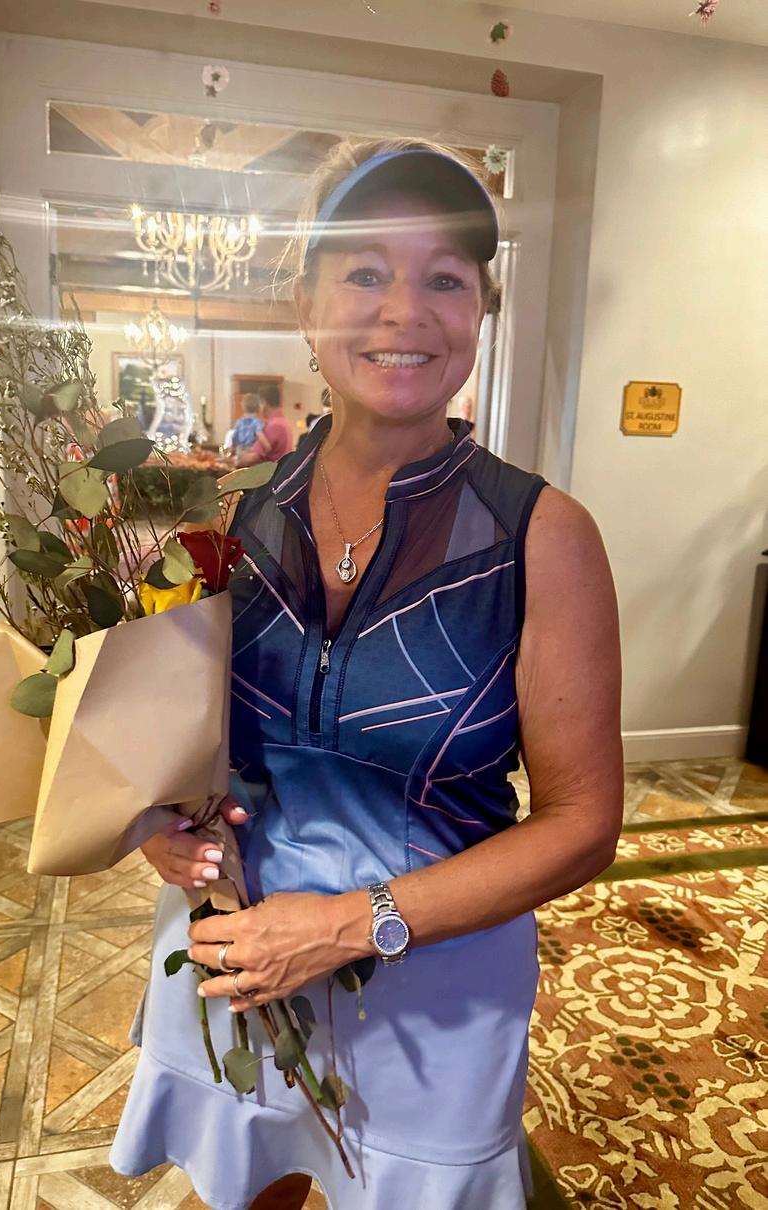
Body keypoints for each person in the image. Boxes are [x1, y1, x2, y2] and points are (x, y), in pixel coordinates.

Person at [110, 136, 623, 1209]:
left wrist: (349, 923)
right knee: (246, 1183)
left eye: (445, 279)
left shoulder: (541, 536)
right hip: (234, 945)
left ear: (479, 311)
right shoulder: (228, 517)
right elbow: (163, 733)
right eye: (366, 273)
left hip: (435, 994)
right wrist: (151, 822)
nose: (405, 311)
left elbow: (583, 825)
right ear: (305, 304)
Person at [236, 384, 293, 465]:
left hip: (270, 471)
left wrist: (236, 461)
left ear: (264, 403)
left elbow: (253, 457)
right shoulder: (283, 422)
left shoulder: (273, 426)